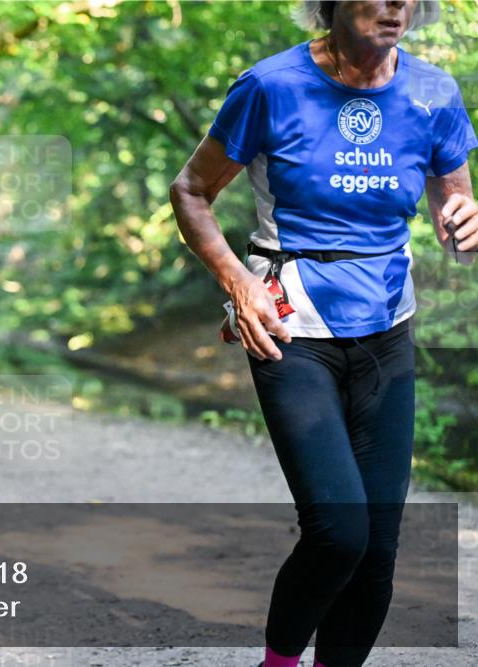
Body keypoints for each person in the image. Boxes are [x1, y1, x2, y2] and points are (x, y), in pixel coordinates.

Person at [168, 2, 476, 666]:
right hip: (290, 326)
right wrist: (238, 283)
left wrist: (468, 223)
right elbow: (190, 191)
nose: (397, 7)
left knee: (379, 550)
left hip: (388, 329)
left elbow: (458, 216)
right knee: (339, 532)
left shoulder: (433, 92)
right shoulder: (271, 87)